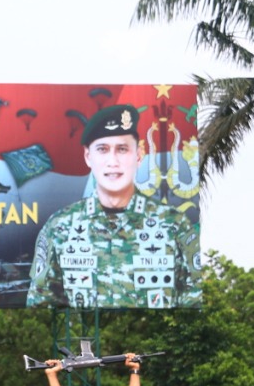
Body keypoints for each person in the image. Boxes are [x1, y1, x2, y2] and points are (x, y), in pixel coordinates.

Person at [26, 104, 201, 309]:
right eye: (102, 150)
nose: (113, 161)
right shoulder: (59, 228)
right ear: (87, 157)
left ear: (139, 155)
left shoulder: (174, 225)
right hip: (86, 341)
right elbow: (41, 307)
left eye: (122, 149)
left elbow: (193, 304)